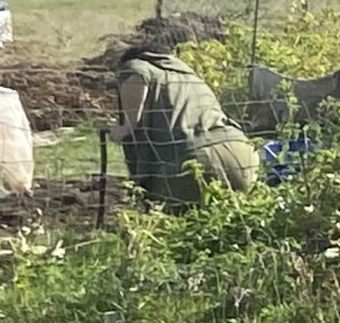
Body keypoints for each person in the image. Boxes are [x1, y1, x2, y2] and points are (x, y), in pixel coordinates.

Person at [109, 25, 261, 210]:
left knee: (181, 224)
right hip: (241, 153)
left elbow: (137, 75)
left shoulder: (136, 66)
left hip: (190, 163)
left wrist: (124, 129)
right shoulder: (185, 72)